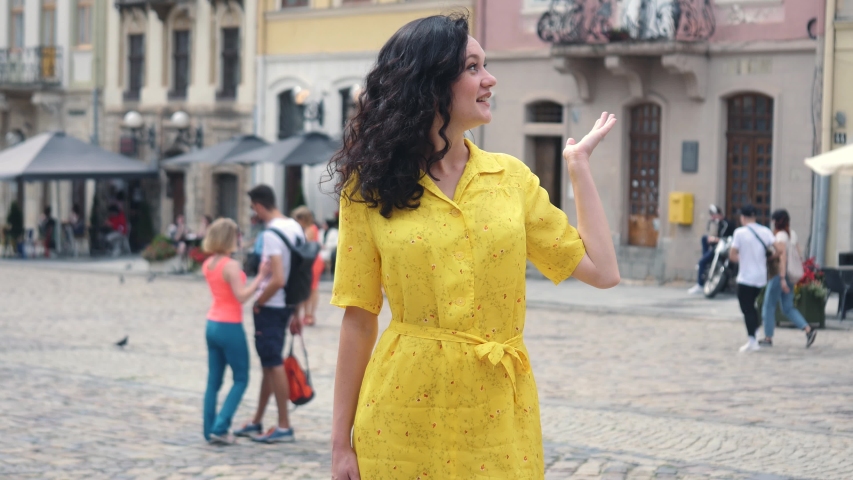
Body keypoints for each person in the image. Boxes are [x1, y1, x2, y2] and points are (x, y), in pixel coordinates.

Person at [328, 14, 620, 479]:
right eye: (472, 67)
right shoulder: (370, 186)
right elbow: (359, 320)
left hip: (498, 419)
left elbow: (603, 272)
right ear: (429, 84)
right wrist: (340, 445)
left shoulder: (510, 179)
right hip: (399, 423)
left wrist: (579, 167)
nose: (490, 79)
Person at [233, 184, 305, 444]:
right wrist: (297, 310)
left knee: (273, 365)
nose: (255, 214)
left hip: (271, 305)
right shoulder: (294, 226)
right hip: (286, 305)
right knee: (269, 362)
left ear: (260, 206)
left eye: (254, 209)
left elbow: (279, 278)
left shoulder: (273, 233)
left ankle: (284, 425)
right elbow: (299, 273)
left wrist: (258, 302)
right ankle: (257, 420)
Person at [201, 218, 269, 445]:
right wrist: (260, 278)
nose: (239, 239)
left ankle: (209, 428)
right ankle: (220, 427)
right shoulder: (230, 266)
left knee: (214, 382)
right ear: (229, 238)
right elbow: (241, 297)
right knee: (241, 378)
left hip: (212, 323)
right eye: (237, 236)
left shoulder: (209, 263)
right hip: (230, 325)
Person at [759, 209, 817, 348]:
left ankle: (768, 337)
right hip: (792, 275)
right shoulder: (793, 234)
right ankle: (808, 329)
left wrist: (782, 277)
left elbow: (782, 257)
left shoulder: (780, 236)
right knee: (788, 307)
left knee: (769, 305)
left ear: (776, 221)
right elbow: (798, 253)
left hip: (780, 274)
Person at [729, 205, 776, 352]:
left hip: (746, 277)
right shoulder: (765, 231)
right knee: (753, 306)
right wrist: (768, 258)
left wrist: (742, 259)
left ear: (743, 217)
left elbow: (732, 254)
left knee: (747, 308)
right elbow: (779, 249)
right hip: (761, 277)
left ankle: (752, 340)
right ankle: (755, 332)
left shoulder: (740, 233)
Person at [688, 204, 736, 294]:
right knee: (704, 238)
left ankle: (700, 285)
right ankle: (706, 258)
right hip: (717, 247)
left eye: (713, 215)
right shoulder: (720, 224)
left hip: (722, 249)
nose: (712, 218)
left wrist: (715, 239)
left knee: (702, 262)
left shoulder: (726, 223)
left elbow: (726, 238)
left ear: (718, 214)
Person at [291, 206, 325, 326]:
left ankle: (309, 314)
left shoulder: (310, 229)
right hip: (311, 260)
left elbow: (305, 243)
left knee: (312, 288)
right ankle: (307, 314)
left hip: (312, 261)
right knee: (308, 288)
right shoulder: (309, 228)